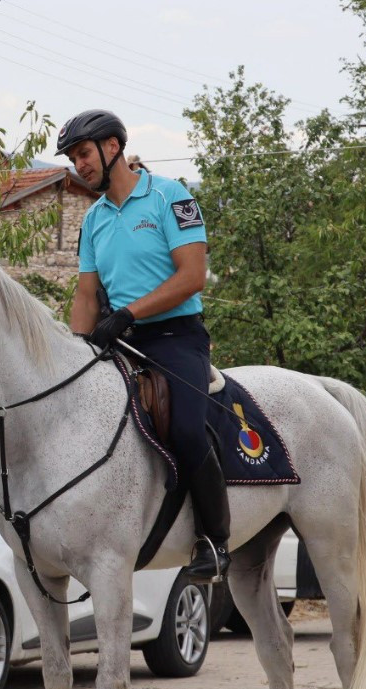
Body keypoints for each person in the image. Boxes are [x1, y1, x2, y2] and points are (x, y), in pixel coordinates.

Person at [58, 108, 230, 582]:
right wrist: (76, 353)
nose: (80, 165)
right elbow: (87, 295)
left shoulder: (170, 197)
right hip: (119, 340)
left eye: (84, 153)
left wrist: (129, 313)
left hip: (176, 339)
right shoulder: (92, 220)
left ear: (113, 147)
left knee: (189, 431)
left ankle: (214, 542)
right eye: (73, 158)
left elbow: (192, 276)